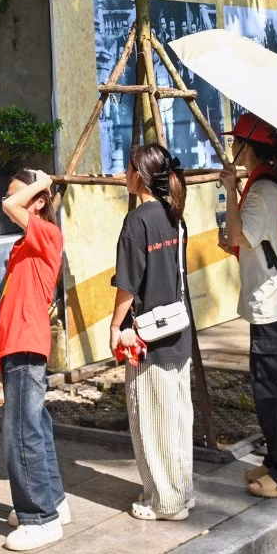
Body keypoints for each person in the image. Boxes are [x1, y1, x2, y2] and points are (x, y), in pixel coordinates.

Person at [220, 114, 277, 498]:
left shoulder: (261, 192)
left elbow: (239, 232)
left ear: (248, 147)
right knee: (272, 387)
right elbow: (244, 241)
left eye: (235, 142)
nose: (231, 149)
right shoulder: (270, 187)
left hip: (270, 303)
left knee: (275, 392)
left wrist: (227, 189)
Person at [113, 145, 196, 518]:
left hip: (148, 335)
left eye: (128, 168)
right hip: (179, 332)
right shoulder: (174, 215)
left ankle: (165, 502)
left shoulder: (137, 221)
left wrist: (116, 326)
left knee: (152, 421)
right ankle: (181, 493)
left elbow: (128, 286)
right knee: (178, 421)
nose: (124, 174)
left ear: (140, 176)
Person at [0, 169, 69, 551]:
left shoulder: (47, 234)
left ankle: (39, 517)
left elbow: (10, 206)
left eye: (22, 194)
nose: (9, 201)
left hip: (26, 343)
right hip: (16, 344)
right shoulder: (24, 243)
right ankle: (53, 501)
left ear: (39, 201)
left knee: (20, 433)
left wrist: (42, 183)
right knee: (34, 427)